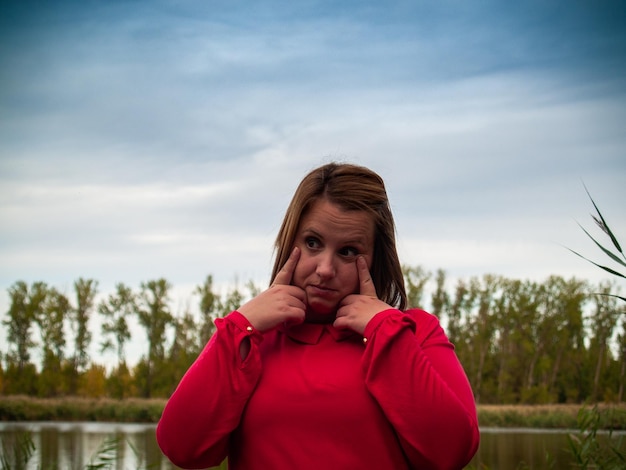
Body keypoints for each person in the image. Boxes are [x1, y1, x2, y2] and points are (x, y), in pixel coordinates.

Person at [156, 162, 480, 470]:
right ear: (289, 241)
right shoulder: (253, 339)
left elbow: (450, 452)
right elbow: (182, 447)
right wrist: (239, 328)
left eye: (348, 251)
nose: (325, 270)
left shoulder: (412, 333)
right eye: (312, 243)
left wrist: (384, 330)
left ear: (375, 257)